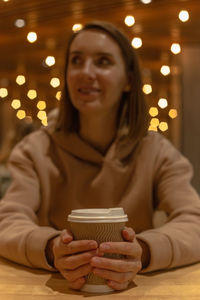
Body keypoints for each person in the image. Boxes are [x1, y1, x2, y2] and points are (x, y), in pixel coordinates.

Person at [0, 21, 200, 292]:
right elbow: (7, 221)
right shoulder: (35, 150)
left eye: (103, 62)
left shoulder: (155, 151)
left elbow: (194, 220)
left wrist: (142, 251)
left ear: (128, 80)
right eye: (76, 61)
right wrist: (51, 248)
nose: (86, 72)